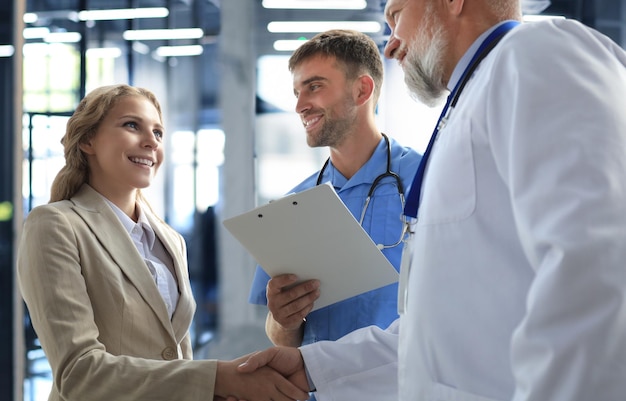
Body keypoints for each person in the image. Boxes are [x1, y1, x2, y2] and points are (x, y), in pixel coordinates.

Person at [238, 1, 626, 400]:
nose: (391, 46)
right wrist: (311, 366)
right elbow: (433, 333)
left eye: (396, 15)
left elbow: (599, 271)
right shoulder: (470, 102)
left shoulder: (537, 56)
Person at [17, 84, 309, 401]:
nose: (151, 141)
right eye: (132, 125)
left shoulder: (169, 239)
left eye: (158, 132)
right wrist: (219, 379)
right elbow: (79, 374)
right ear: (88, 140)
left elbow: (177, 361)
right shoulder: (55, 225)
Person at [247, 29, 421, 353]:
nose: (300, 105)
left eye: (314, 86)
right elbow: (281, 333)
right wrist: (284, 320)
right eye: (297, 91)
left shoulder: (427, 181)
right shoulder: (292, 207)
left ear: (361, 90)